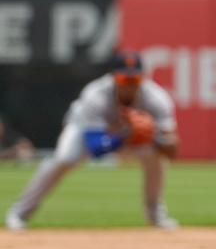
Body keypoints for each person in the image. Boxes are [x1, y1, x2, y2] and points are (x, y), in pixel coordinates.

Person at [5, 50, 180, 231]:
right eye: (124, 80)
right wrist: (128, 134)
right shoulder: (95, 94)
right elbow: (96, 147)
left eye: (134, 80)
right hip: (83, 128)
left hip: (125, 134)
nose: (129, 85)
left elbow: (172, 150)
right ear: (113, 77)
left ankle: (155, 215)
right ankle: (19, 213)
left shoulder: (157, 98)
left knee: (156, 158)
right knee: (63, 159)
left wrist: (154, 137)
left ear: (143, 78)